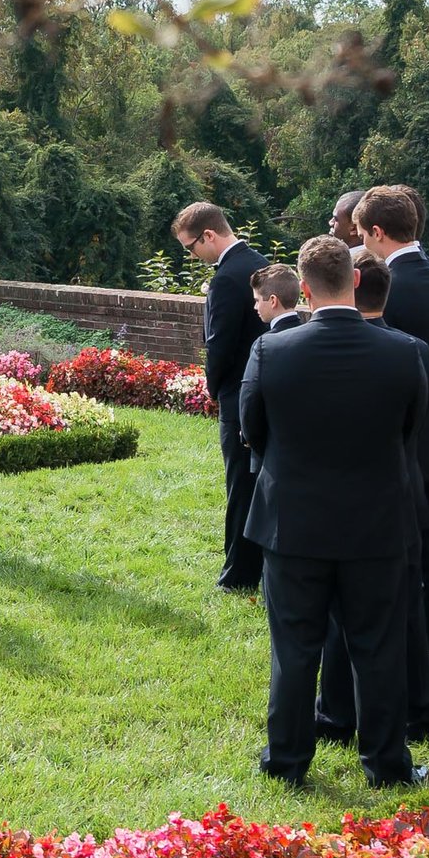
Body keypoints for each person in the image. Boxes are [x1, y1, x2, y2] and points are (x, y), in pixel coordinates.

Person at [239, 235, 429, 789]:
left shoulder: (272, 351)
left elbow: (253, 428)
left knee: (295, 649)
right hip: (377, 521)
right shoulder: (405, 351)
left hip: (294, 522)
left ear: (302, 288)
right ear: (356, 281)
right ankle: (386, 764)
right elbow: (408, 431)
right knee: (378, 647)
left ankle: (288, 761)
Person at [315, 245, 429, 745]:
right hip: (396, 497)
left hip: (330, 505)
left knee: (336, 620)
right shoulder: (411, 350)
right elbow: (414, 427)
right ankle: (413, 712)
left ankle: (338, 712)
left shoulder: (314, 347)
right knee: (403, 614)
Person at [359, 183, 429, 693]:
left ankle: (407, 648)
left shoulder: (388, 287)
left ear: (377, 232)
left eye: (362, 234)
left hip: (396, 440)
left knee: (396, 552)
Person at [175, 202, 268, 591]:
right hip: (265, 385)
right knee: (257, 478)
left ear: (209, 235)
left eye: (191, 247)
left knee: (240, 483)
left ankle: (238, 574)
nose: (192, 255)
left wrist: (212, 387)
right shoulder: (258, 262)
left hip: (238, 390)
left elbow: (220, 344)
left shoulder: (228, 277)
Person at [251, 264, 302, 333]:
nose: (255, 307)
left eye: (257, 300)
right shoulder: (314, 337)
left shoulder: (265, 342)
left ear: (273, 301)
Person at [330, 189, 368, 261]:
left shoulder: (342, 265)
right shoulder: (382, 255)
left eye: (336, 219)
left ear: (353, 229)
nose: (330, 222)